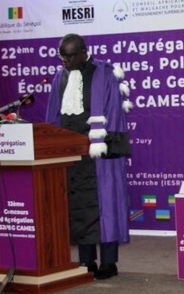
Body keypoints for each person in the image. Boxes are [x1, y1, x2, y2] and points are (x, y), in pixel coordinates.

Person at [45, 33, 132, 280]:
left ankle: (108, 263)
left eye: (70, 56)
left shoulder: (105, 73)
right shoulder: (59, 77)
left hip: (99, 154)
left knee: (104, 208)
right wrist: (54, 146)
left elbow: (115, 111)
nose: (65, 61)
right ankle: (86, 261)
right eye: (62, 56)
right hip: (73, 156)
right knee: (78, 206)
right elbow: (53, 114)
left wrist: (109, 146)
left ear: (84, 51)